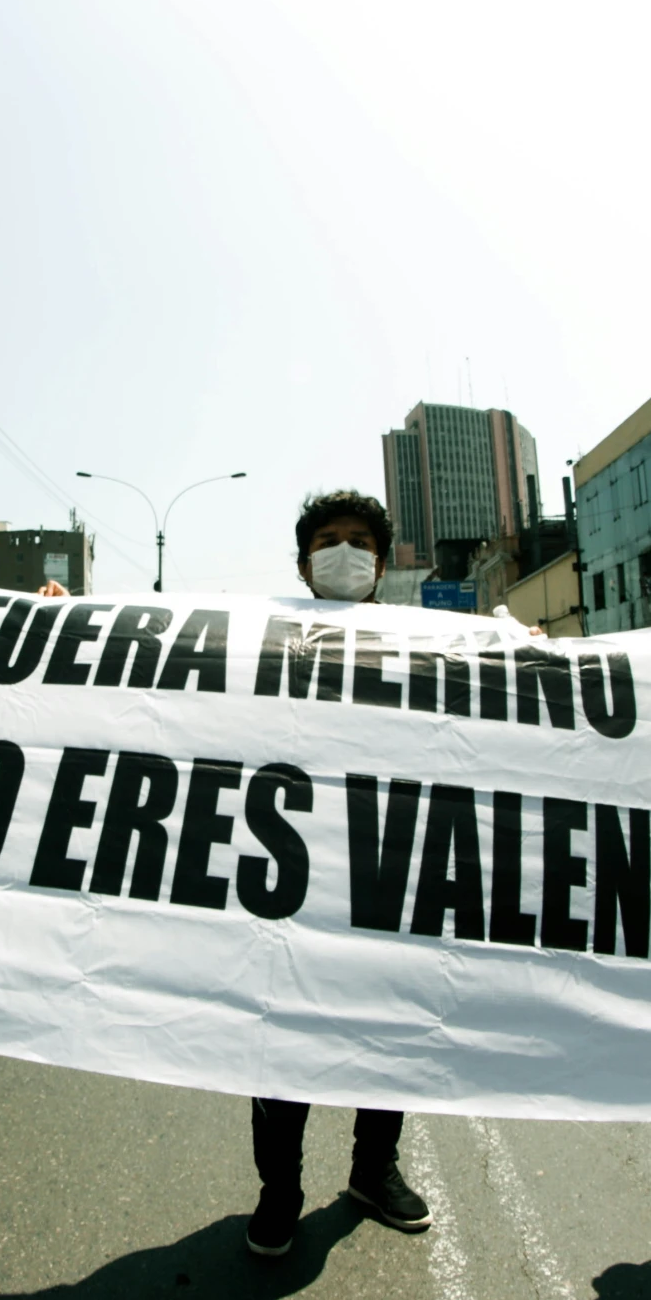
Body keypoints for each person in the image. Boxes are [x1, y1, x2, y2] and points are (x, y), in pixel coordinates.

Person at [242, 490, 431, 1260]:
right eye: (330, 539)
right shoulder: (260, 637)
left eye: (360, 540)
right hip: (290, 882)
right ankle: (278, 1188)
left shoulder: (426, 639)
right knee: (281, 1046)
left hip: (389, 877)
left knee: (386, 1033)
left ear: (381, 563)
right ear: (302, 562)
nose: (345, 551)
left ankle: (371, 1168)